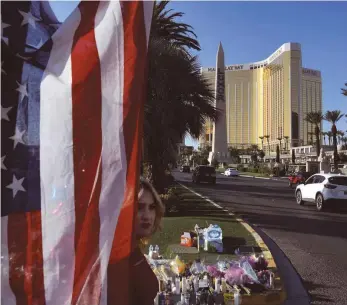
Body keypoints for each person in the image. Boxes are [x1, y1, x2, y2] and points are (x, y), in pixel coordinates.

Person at [130, 177, 165, 305]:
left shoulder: (133, 249)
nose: (147, 216)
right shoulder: (121, 256)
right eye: (139, 207)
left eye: (152, 207)